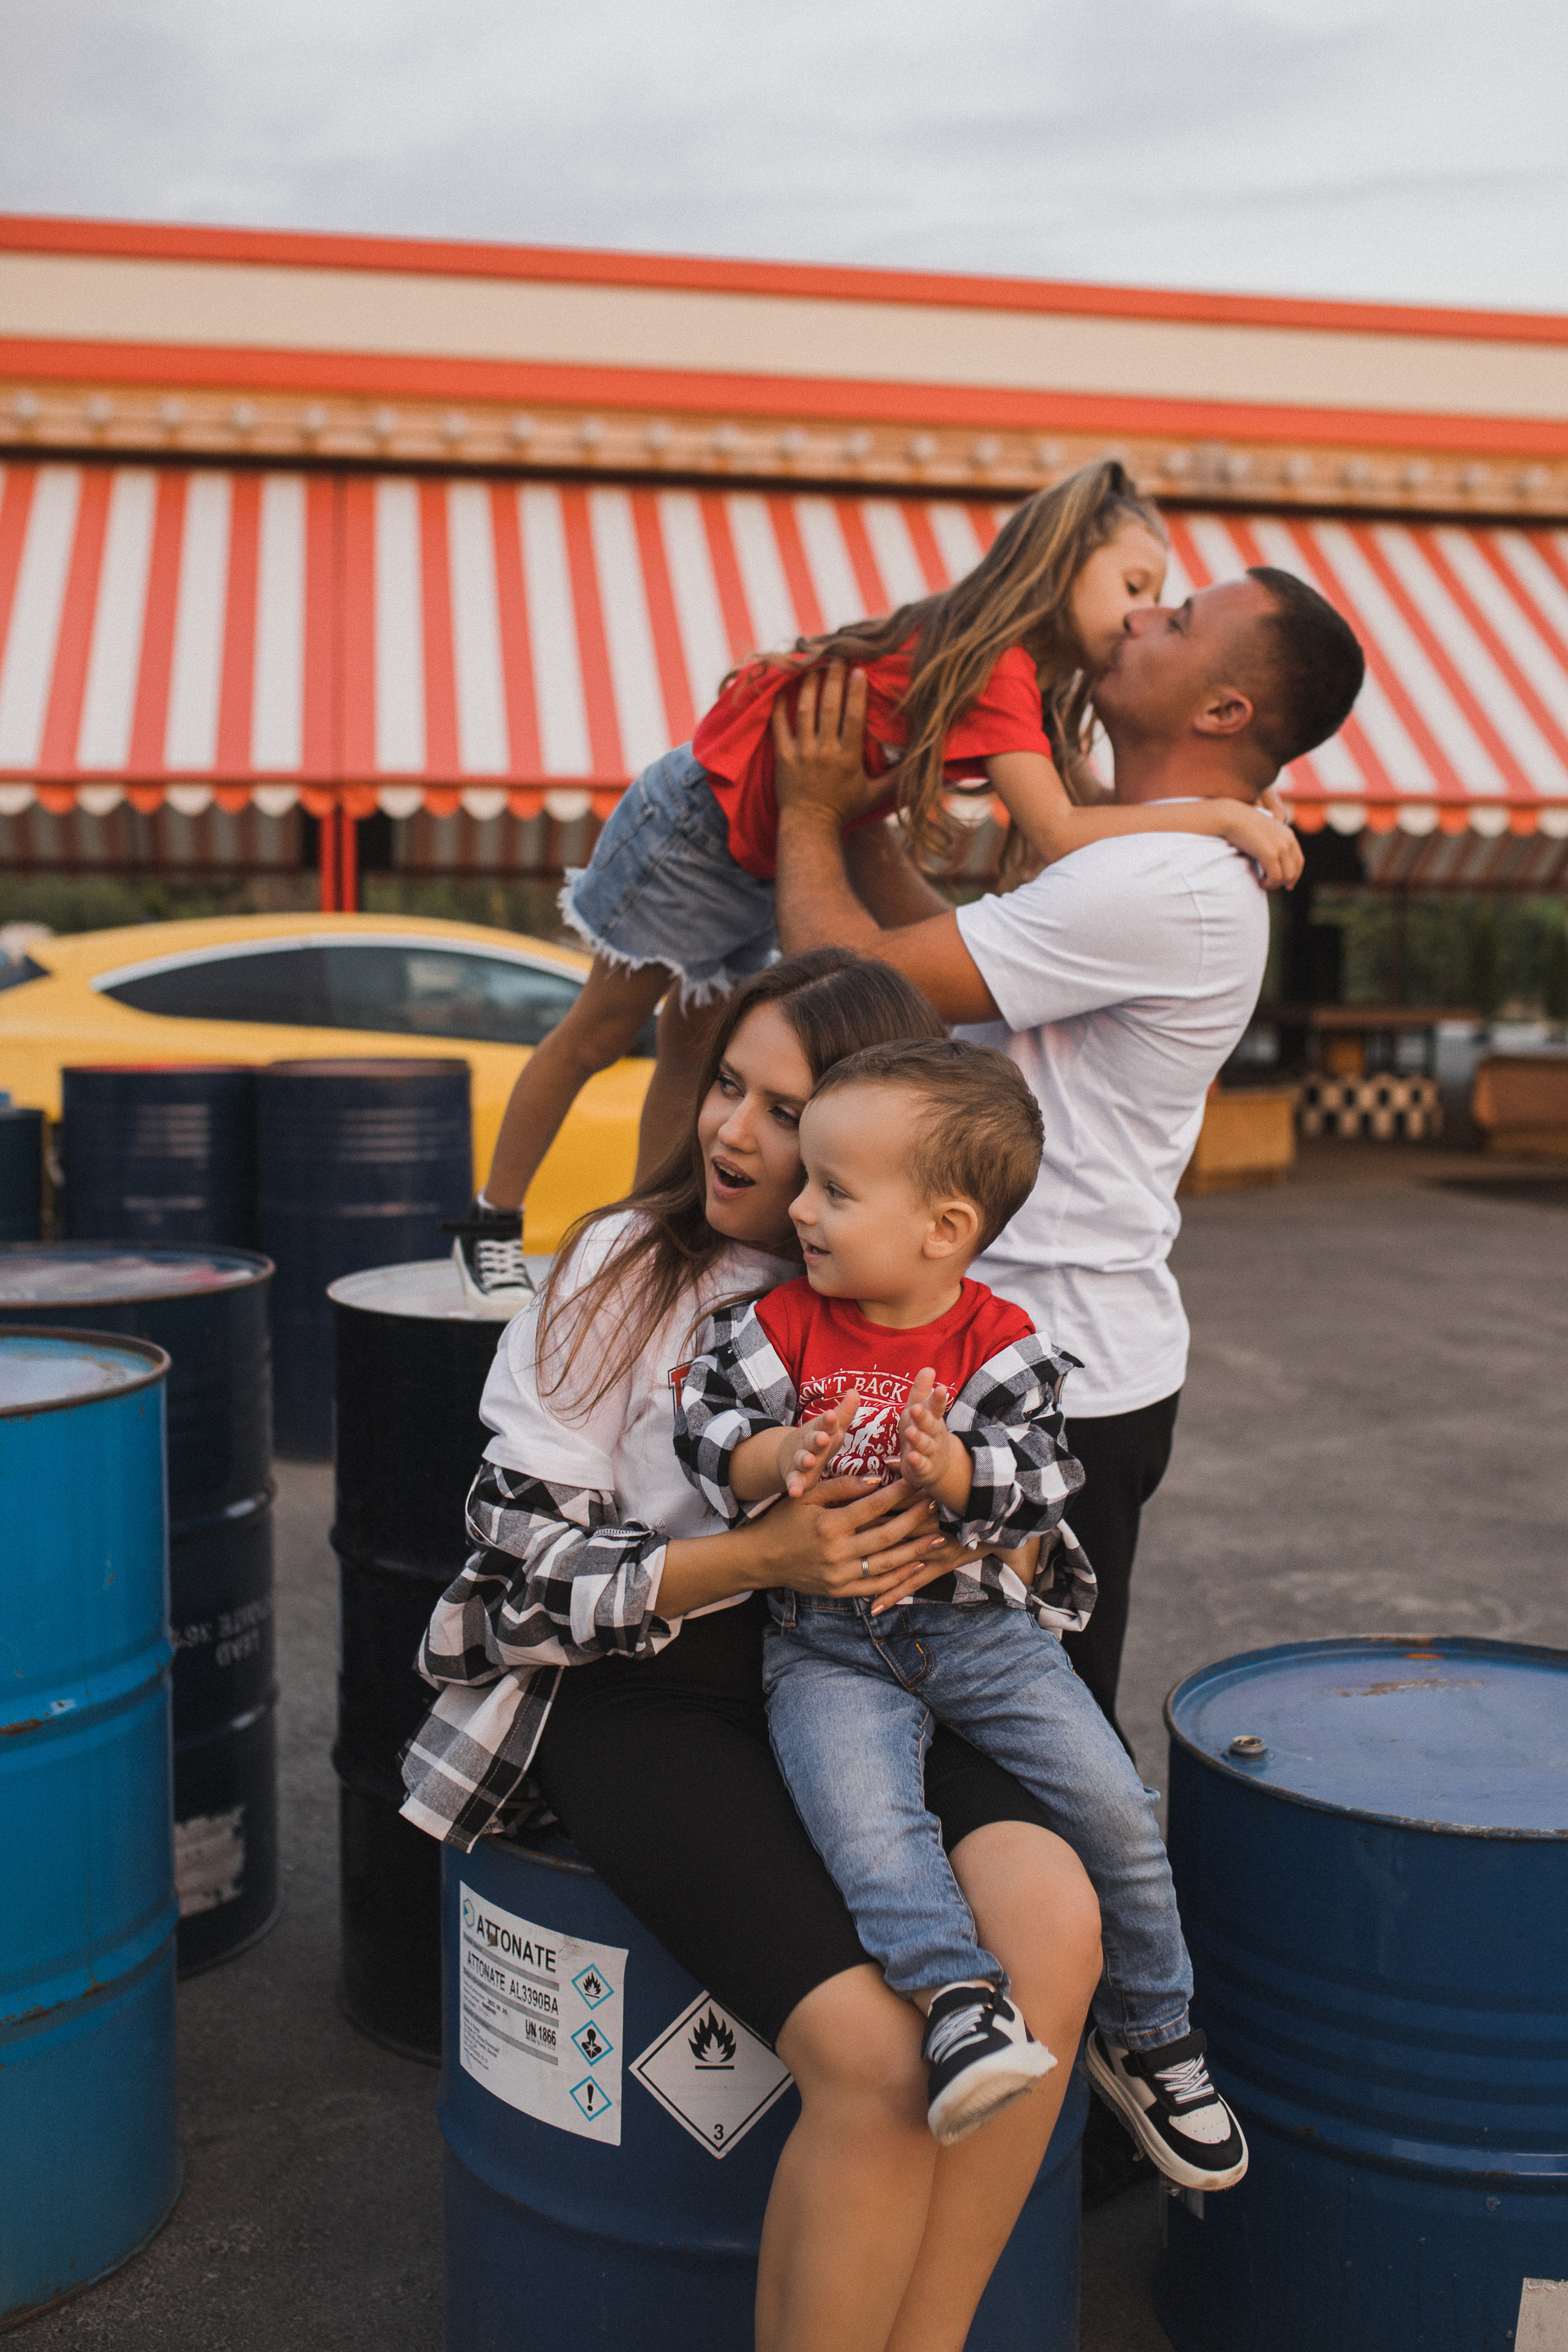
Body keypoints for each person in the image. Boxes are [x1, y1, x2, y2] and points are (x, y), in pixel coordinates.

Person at [402, 951, 1106, 2352]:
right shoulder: (624, 1263)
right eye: (727, 1082)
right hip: (647, 1687)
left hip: (868, 1669)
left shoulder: (938, 1298)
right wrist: (760, 1556)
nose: (732, 1130)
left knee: (1056, 1929)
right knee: (871, 2055)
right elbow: (506, 1571)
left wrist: (978, 1524)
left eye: (785, 1114)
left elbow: (1058, 1569)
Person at [761, 566, 1364, 2201]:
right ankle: (1036, 2065)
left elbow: (849, 992)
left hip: (1043, 1391)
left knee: (1014, 1753)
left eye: (1179, 624)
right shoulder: (1137, 859)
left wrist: (810, 813)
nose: (1135, 627)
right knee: (1014, 1733)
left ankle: (1066, 2106)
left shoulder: (1162, 877)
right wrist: (869, 825)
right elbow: (923, 957)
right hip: (1042, 1365)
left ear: (1227, 712)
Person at [453, 462, 1302, 1301]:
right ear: (1057, 565)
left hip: (759, 843)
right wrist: (1221, 816)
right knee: (601, 1033)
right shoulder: (1001, 668)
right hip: (699, 821)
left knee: (692, 1049)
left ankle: (646, 1238)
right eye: (1133, 584)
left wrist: (1224, 789)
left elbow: (1099, 816)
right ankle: (491, 1222)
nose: (1141, 615)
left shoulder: (1023, 681)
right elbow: (1062, 830)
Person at [675, 1036, 1246, 2184]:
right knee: (869, 1828)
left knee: (1117, 1810)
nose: (802, 1209)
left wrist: (949, 1472)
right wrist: (779, 1454)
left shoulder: (1003, 1346)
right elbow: (706, 1431)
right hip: (827, 1648)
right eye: (808, 1183)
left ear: (944, 1230)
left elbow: (1042, 1484)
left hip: (986, 1639)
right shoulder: (773, 1327)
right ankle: (958, 2003)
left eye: (836, 1189)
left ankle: (1154, 2037)